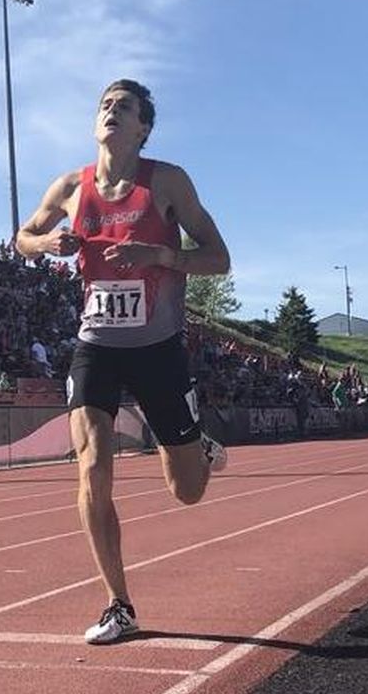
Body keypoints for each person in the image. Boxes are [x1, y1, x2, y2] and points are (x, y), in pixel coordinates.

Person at [15, 79, 231, 645]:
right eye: (105, 105)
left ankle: (194, 445)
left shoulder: (167, 182)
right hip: (96, 347)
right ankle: (119, 603)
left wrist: (159, 254)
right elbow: (21, 236)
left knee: (188, 491)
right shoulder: (68, 187)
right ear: (96, 125)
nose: (112, 111)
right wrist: (46, 246)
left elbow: (218, 259)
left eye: (125, 106)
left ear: (143, 128)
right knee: (91, 467)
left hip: (158, 349)